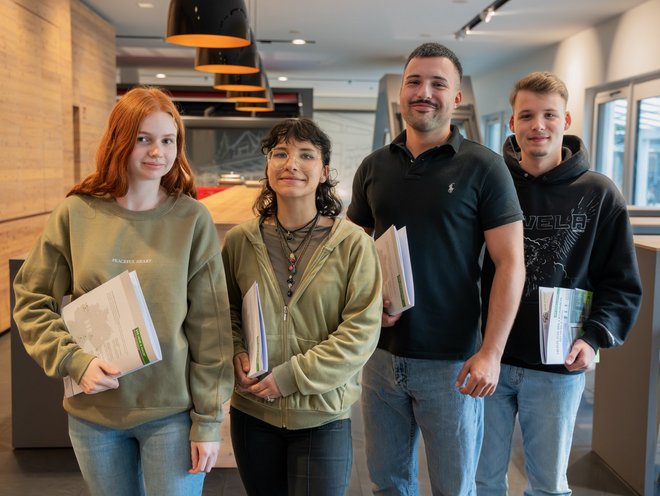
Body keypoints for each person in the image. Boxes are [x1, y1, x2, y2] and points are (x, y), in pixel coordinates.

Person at [12, 86, 234, 496]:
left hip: (171, 412)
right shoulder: (77, 213)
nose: (157, 152)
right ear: (119, 140)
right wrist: (72, 359)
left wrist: (208, 420)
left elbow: (211, 329)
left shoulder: (191, 219)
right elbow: (31, 299)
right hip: (94, 415)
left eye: (168, 141)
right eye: (143, 139)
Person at [347, 42, 526, 495]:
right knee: (387, 483)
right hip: (381, 356)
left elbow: (510, 264)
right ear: (402, 91)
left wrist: (491, 353)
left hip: (453, 364)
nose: (423, 92)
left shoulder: (484, 168)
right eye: (414, 81)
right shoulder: (374, 167)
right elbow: (351, 254)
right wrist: (364, 309)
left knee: (454, 487)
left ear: (456, 97)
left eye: (437, 84)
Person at [476, 71, 643, 495]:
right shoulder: (491, 184)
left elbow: (621, 282)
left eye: (549, 114)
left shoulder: (600, 193)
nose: (538, 125)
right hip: (487, 357)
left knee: (549, 484)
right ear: (512, 123)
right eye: (527, 115)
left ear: (565, 119)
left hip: (556, 367)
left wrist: (592, 340)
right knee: (482, 479)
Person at [221, 117, 383, 496]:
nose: (291, 163)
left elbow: (360, 333)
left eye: (306, 155)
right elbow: (224, 311)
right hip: (252, 411)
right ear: (268, 166)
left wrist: (289, 377)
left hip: (322, 414)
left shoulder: (352, 245)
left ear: (324, 171)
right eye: (280, 153)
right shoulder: (240, 240)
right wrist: (236, 351)